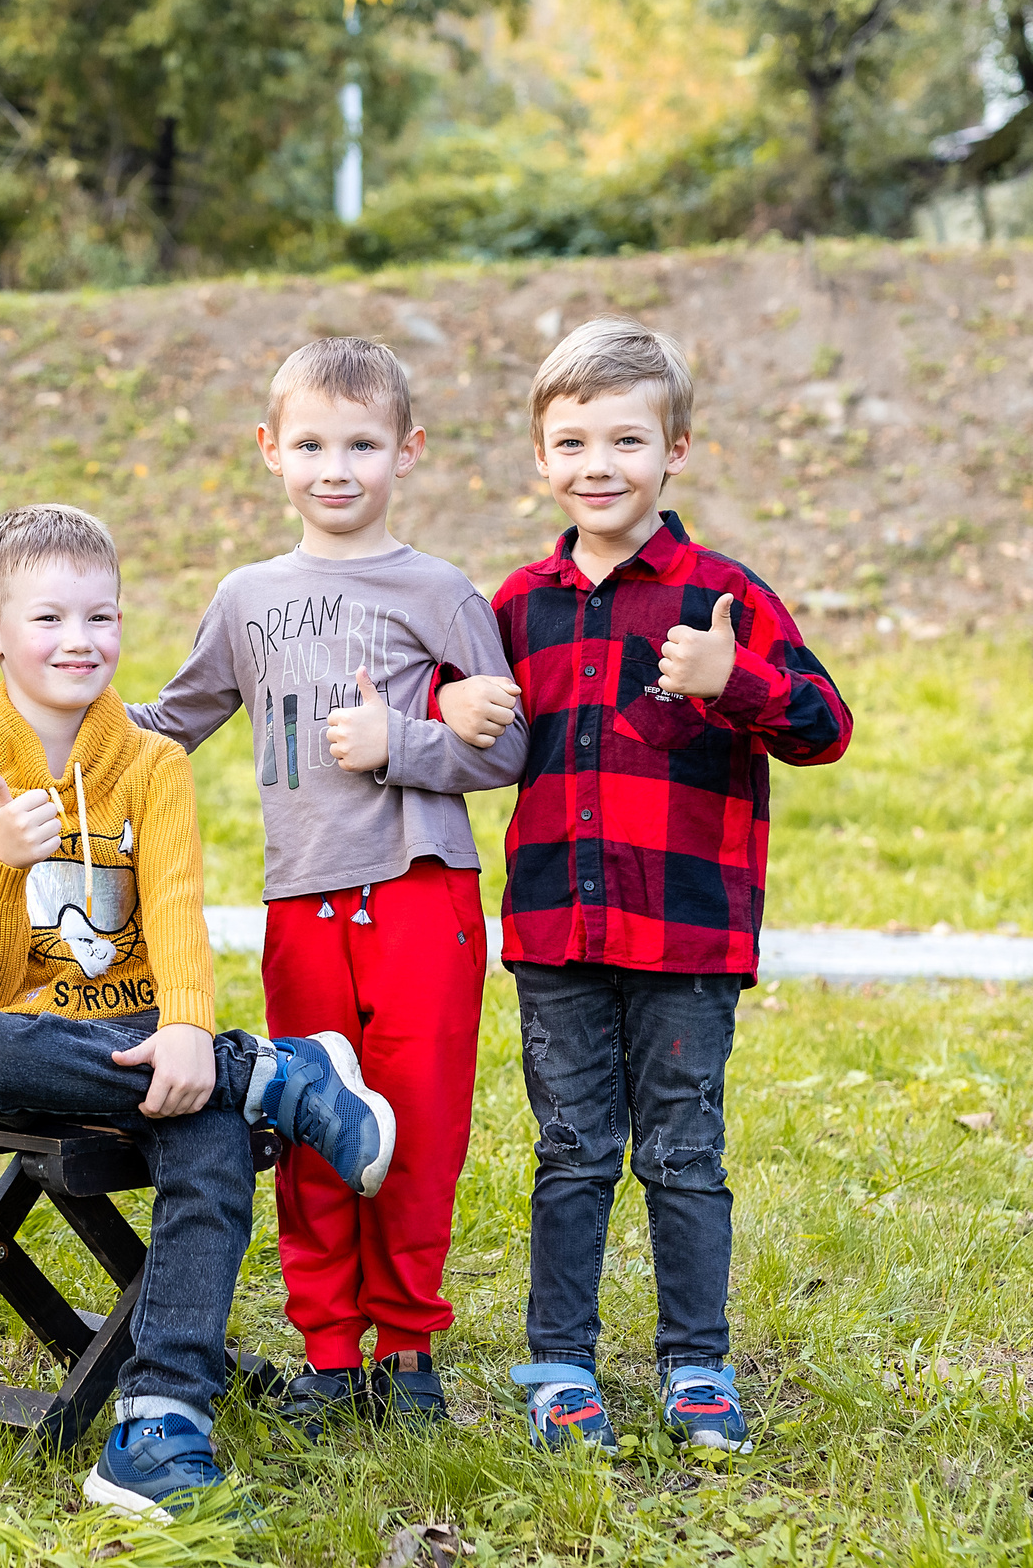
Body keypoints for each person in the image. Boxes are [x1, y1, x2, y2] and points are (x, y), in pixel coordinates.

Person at [363, 316, 853, 1454]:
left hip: (686, 939)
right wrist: (443, 708)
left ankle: (695, 1363)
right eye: (572, 441)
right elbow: (464, 720)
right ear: (541, 458)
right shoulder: (515, 604)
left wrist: (735, 682)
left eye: (625, 441)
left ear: (674, 449)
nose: (598, 464)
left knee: (683, 1150)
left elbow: (825, 727)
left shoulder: (720, 595)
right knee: (572, 1148)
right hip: (554, 933)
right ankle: (558, 1362)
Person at [0, 503, 400, 1518]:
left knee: (206, 1121)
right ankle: (270, 1071)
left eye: (103, 617)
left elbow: (175, 908)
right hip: (24, 1053)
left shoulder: (151, 763)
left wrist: (183, 1028)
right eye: (48, 620)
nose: (80, 641)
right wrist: (4, 866)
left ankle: (161, 1419)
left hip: (144, 1044)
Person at [121, 338, 506, 1435]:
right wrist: (54, 715)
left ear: (408, 451)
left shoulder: (439, 593)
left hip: (421, 894)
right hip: (302, 907)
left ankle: (409, 1350)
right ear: (268, 452)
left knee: (418, 1127)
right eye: (310, 445)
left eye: (362, 445)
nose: (335, 468)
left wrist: (402, 742)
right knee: (316, 1125)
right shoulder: (246, 599)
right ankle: (330, 1354)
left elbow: (501, 745)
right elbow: (170, 724)